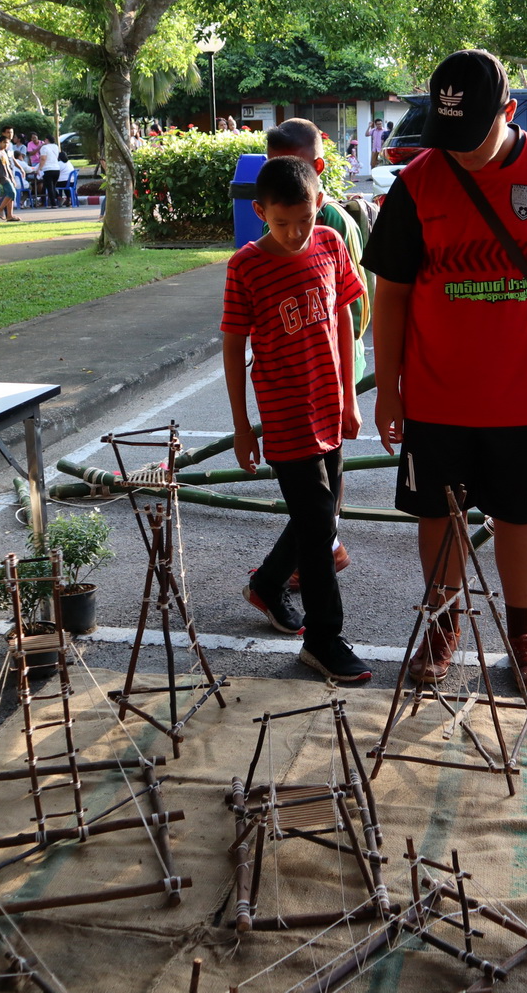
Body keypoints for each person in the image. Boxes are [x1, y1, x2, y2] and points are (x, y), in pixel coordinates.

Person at [363, 50, 527, 696]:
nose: (460, 152)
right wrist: (388, 386)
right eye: (449, 135)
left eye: (473, 134)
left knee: (520, 516)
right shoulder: (419, 181)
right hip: (434, 394)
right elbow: (392, 293)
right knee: (437, 514)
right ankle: (443, 624)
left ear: (509, 111)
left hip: (522, 392)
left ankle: (524, 634)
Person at [221, 157, 370, 684]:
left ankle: (266, 584)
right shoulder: (245, 266)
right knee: (318, 527)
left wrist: (350, 398)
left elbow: (344, 317)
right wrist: (242, 426)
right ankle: (323, 640)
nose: (294, 233)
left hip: (331, 405)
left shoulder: (330, 243)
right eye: (282, 223)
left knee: (322, 516)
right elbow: (233, 346)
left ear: (319, 205)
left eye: (304, 220)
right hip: (285, 417)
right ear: (260, 212)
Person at [261, 117, 374, 591]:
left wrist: (346, 389)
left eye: (294, 166)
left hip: (332, 370)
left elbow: (354, 306)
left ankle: (316, 557)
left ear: (319, 169)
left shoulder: (331, 225)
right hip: (295, 378)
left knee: (324, 490)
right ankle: (317, 554)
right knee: (314, 491)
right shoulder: (280, 218)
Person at [0, 127, 21, 221]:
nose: (6, 145)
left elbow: (8, 166)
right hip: (3, 176)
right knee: (11, 192)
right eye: (4, 143)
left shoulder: (5, 153)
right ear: (0, 143)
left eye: (7, 143)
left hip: (9, 176)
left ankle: (9, 215)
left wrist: (13, 178)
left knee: (11, 195)